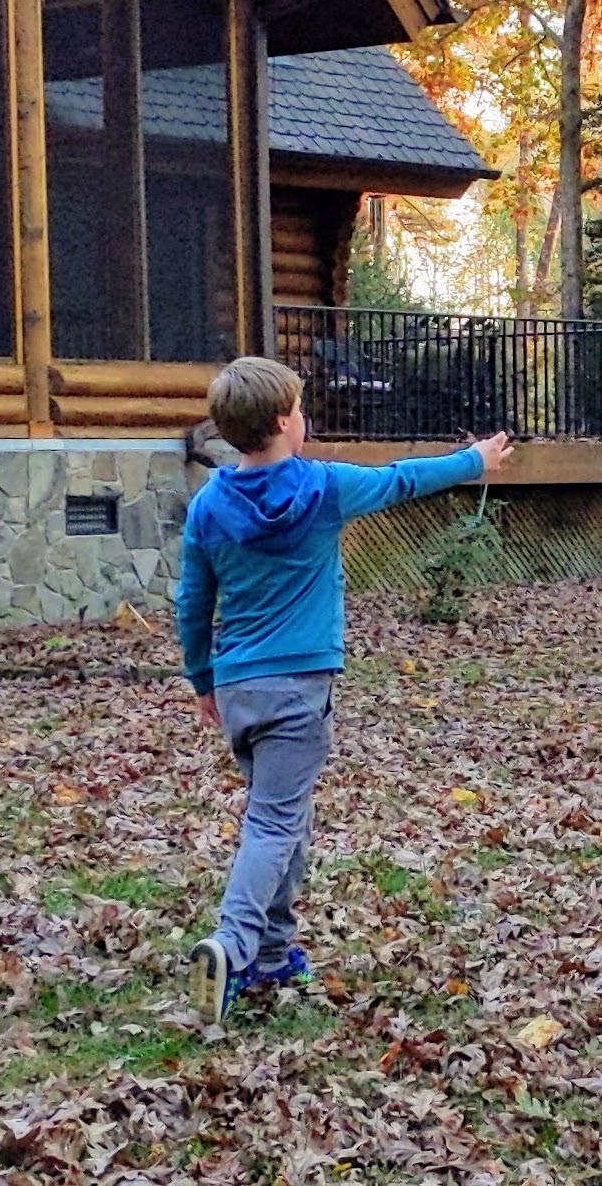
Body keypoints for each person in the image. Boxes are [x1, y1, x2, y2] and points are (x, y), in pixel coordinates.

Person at [177, 357, 512, 1021]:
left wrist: (200, 675)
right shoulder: (323, 488)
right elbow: (401, 480)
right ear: (281, 422)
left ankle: (272, 951)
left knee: (283, 813)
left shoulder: (208, 504)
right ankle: (233, 943)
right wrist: (472, 460)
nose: (306, 419)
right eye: (300, 409)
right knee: (274, 820)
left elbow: (192, 600)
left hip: (240, 687)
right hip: (297, 688)